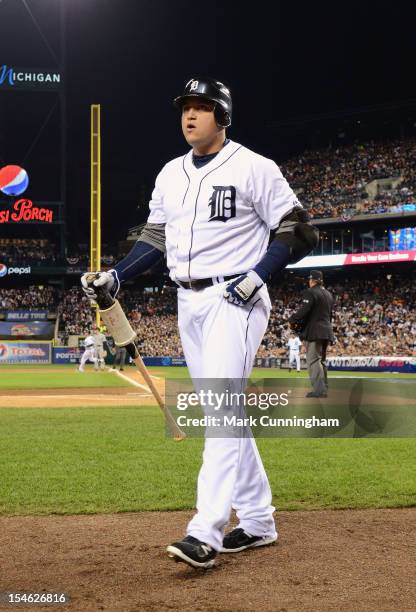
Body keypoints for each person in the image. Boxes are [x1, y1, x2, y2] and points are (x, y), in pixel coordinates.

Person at [81, 77, 318, 569]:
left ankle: (204, 531)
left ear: (222, 116)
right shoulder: (170, 173)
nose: (190, 115)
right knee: (223, 411)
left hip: (237, 296)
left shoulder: (255, 167)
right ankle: (257, 521)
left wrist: (258, 276)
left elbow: (298, 229)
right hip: (188, 302)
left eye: (202, 107)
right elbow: (155, 238)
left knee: (222, 411)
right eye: (185, 107)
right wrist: (116, 277)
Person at [289, 270, 334, 397]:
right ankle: (323, 389)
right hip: (326, 331)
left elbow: (304, 310)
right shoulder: (329, 294)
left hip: (315, 332)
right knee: (321, 361)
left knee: (313, 361)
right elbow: (330, 315)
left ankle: (319, 391)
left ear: (312, 280)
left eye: (309, 280)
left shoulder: (311, 292)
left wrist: (292, 319)